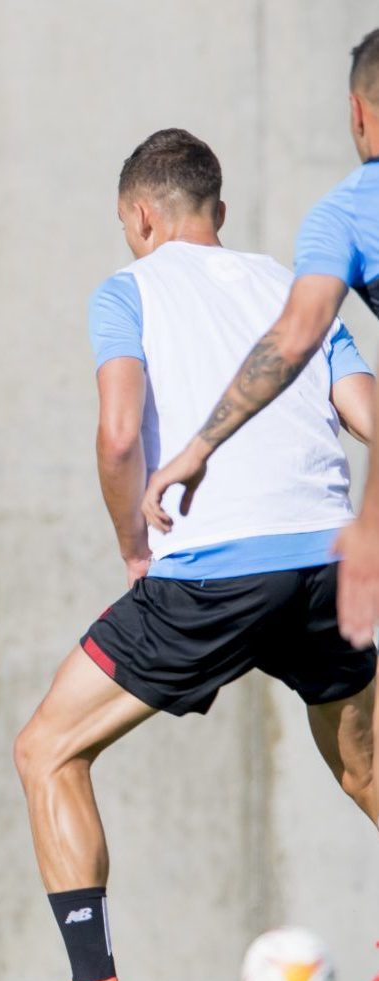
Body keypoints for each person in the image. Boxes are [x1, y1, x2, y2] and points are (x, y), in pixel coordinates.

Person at [9, 129, 376, 981]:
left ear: (140, 216)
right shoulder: (298, 287)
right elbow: (366, 413)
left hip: (213, 571)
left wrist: (134, 546)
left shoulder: (126, 290)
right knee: (364, 766)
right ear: (220, 210)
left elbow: (118, 436)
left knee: (47, 750)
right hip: (325, 564)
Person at [142, 29, 379, 651]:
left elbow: (296, 338)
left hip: (227, 563)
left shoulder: (346, 216)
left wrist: (199, 448)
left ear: (357, 112)